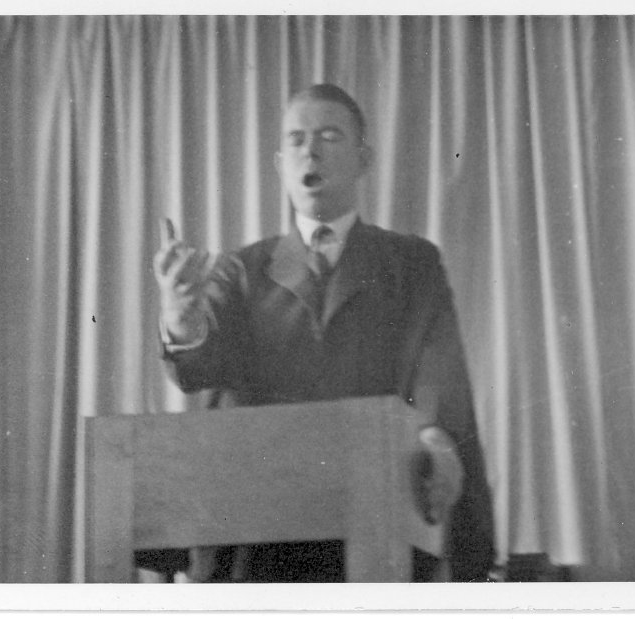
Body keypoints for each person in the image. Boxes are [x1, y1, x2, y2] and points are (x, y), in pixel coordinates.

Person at [150, 83, 495, 582]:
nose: (309, 150)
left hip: (375, 522)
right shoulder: (241, 270)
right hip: (260, 541)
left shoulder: (412, 264)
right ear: (279, 164)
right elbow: (199, 371)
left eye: (329, 135)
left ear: (364, 158)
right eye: (295, 139)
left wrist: (435, 435)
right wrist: (182, 317)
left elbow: (438, 374)